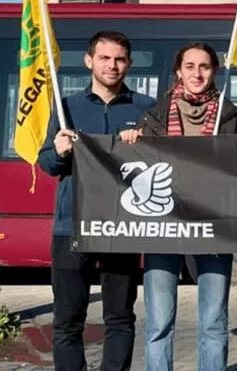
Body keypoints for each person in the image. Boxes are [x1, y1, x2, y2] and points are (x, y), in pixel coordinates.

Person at [117, 42, 237, 371]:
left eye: (204, 66)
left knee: (214, 323)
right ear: (178, 71)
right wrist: (133, 139)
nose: (197, 74)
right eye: (189, 66)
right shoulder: (154, 117)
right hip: (163, 228)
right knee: (159, 324)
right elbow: (135, 161)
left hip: (215, 229)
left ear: (214, 71)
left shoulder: (231, 118)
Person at [37, 30, 155, 371]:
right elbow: (46, 164)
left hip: (123, 225)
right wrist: (59, 150)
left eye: (119, 59)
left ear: (129, 64)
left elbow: (160, 164)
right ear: (89, 61)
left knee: (120, 317)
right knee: (67, 319)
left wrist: (145, 144)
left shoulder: (145, 108)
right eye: (104, 58)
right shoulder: (66, 108)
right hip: (71, 224)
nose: (112, 65)